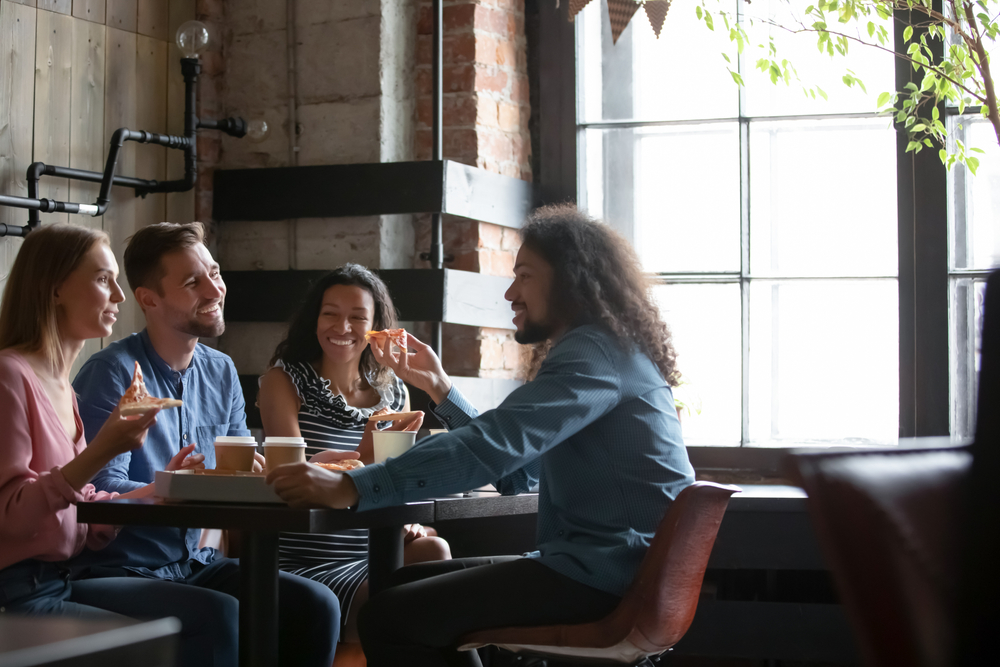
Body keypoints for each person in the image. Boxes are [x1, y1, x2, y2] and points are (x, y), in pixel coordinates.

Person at [266, 204, 697, 666]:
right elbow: (523, 474)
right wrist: (439, 388)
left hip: (605, 577)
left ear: (569, 278)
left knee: (387, 616)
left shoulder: (592, 352)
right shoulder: (605, 350)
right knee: (394, 588)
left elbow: (497, 444)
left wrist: (355, 484)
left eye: (525, 275)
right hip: (606, 571)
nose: (511, 292)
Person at [69, 222, 340, 667]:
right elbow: (95, 491)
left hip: (196, 563)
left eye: (214, 272)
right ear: (149, 300)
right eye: (193, 282)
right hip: (119, 567)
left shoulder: (221, 370)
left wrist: (300, 467)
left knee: (316, 603)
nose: (215, 288)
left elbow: (236, 469)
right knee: (220, 613)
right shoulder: (112, 372)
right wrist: (171, 483)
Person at [0, 223, 228, 657]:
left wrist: (163, 489)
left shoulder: (62, 387)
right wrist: (107, 447)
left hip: (55, 582)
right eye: (104, 280)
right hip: (19, 593)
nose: (120, 297)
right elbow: (11, 516)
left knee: (225, 612)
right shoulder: (9, 375)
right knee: (208, 619)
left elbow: (81, 506)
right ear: (54, 290)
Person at [257, 265, 451, 650]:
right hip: (308, 555)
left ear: (376, 328)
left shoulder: (395, 392)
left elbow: (398, 478)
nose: (342, 327)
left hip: (374, 547)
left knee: (434, 548)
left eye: (357, 317)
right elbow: (286, 478)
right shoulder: (283, 381)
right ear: (315, 318)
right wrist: (352, 462)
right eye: (330, 313)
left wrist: (407, 519)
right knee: (411, 616)